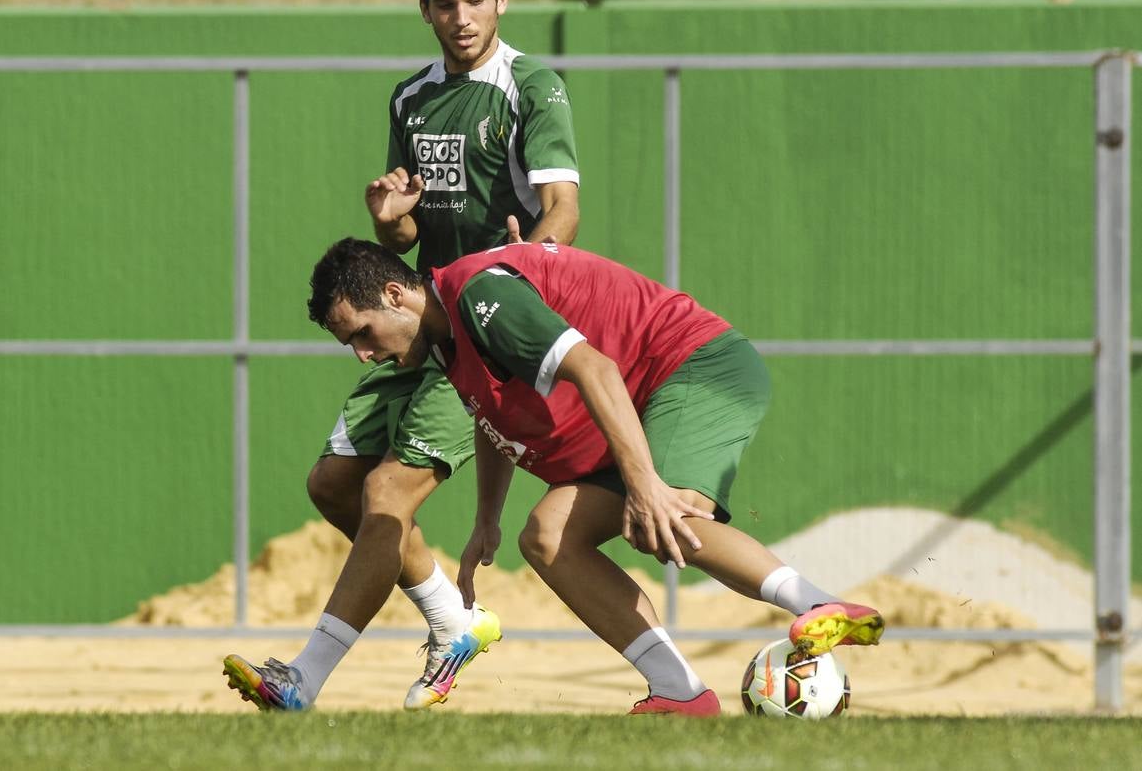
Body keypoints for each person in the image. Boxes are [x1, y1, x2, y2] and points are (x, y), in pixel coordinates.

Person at [223, 0, 581, 712]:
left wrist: (526, 265)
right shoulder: (412, 97)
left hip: (482, 330)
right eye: (445, 4)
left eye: (476, 0)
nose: (462, 17)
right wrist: (391, 222)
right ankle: (452, 622)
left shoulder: (532, 84)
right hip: (419, 319)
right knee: (334, 485)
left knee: (388, 492)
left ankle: (302, 681)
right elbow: (407, 235)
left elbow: (562, 205)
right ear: (424, 9)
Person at [303, 237, 885, 716]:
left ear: (394, 293)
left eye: (361, 334)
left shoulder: (480, 296)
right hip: (637, 405)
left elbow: (596, 369)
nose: (361, 354)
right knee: (548, 537)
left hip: (693, 365)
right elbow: (492, 417)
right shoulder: (445, 341)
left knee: (666, 510)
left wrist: (644, 485)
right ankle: (680, 693)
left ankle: (821, 605)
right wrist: (487, 519)